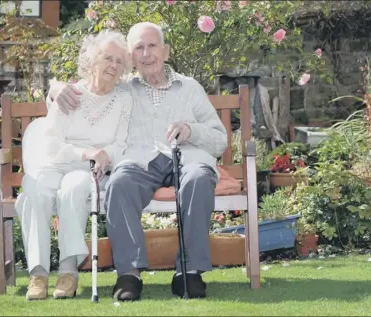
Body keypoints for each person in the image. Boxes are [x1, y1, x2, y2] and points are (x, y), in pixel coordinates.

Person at [48, 22, 228, 301]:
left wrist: (192, 130)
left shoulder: (190, 88)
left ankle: (189, 272)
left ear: (165, 51)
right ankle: (129, 274)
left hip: (187, 157)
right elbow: (87, 87)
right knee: (120, 182)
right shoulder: (122, 88)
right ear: (131, 58)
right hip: (141, 162)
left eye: (152, 46)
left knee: (199, 179)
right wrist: (55, 87)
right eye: (138, 48)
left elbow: (220, 140)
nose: (146, 54)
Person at [15, 30, 133, 301]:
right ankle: (38, 272)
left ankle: (68, 272)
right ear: (91, 60)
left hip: (88, 171)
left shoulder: (124, 99)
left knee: (74, 188)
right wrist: (86, 152)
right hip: (56, 162)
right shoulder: (69, 94)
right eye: (107, 58)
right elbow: (52, 145)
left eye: (119, 61)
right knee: (34, 190)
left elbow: (120, 144)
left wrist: (104, 155)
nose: (114, 66)